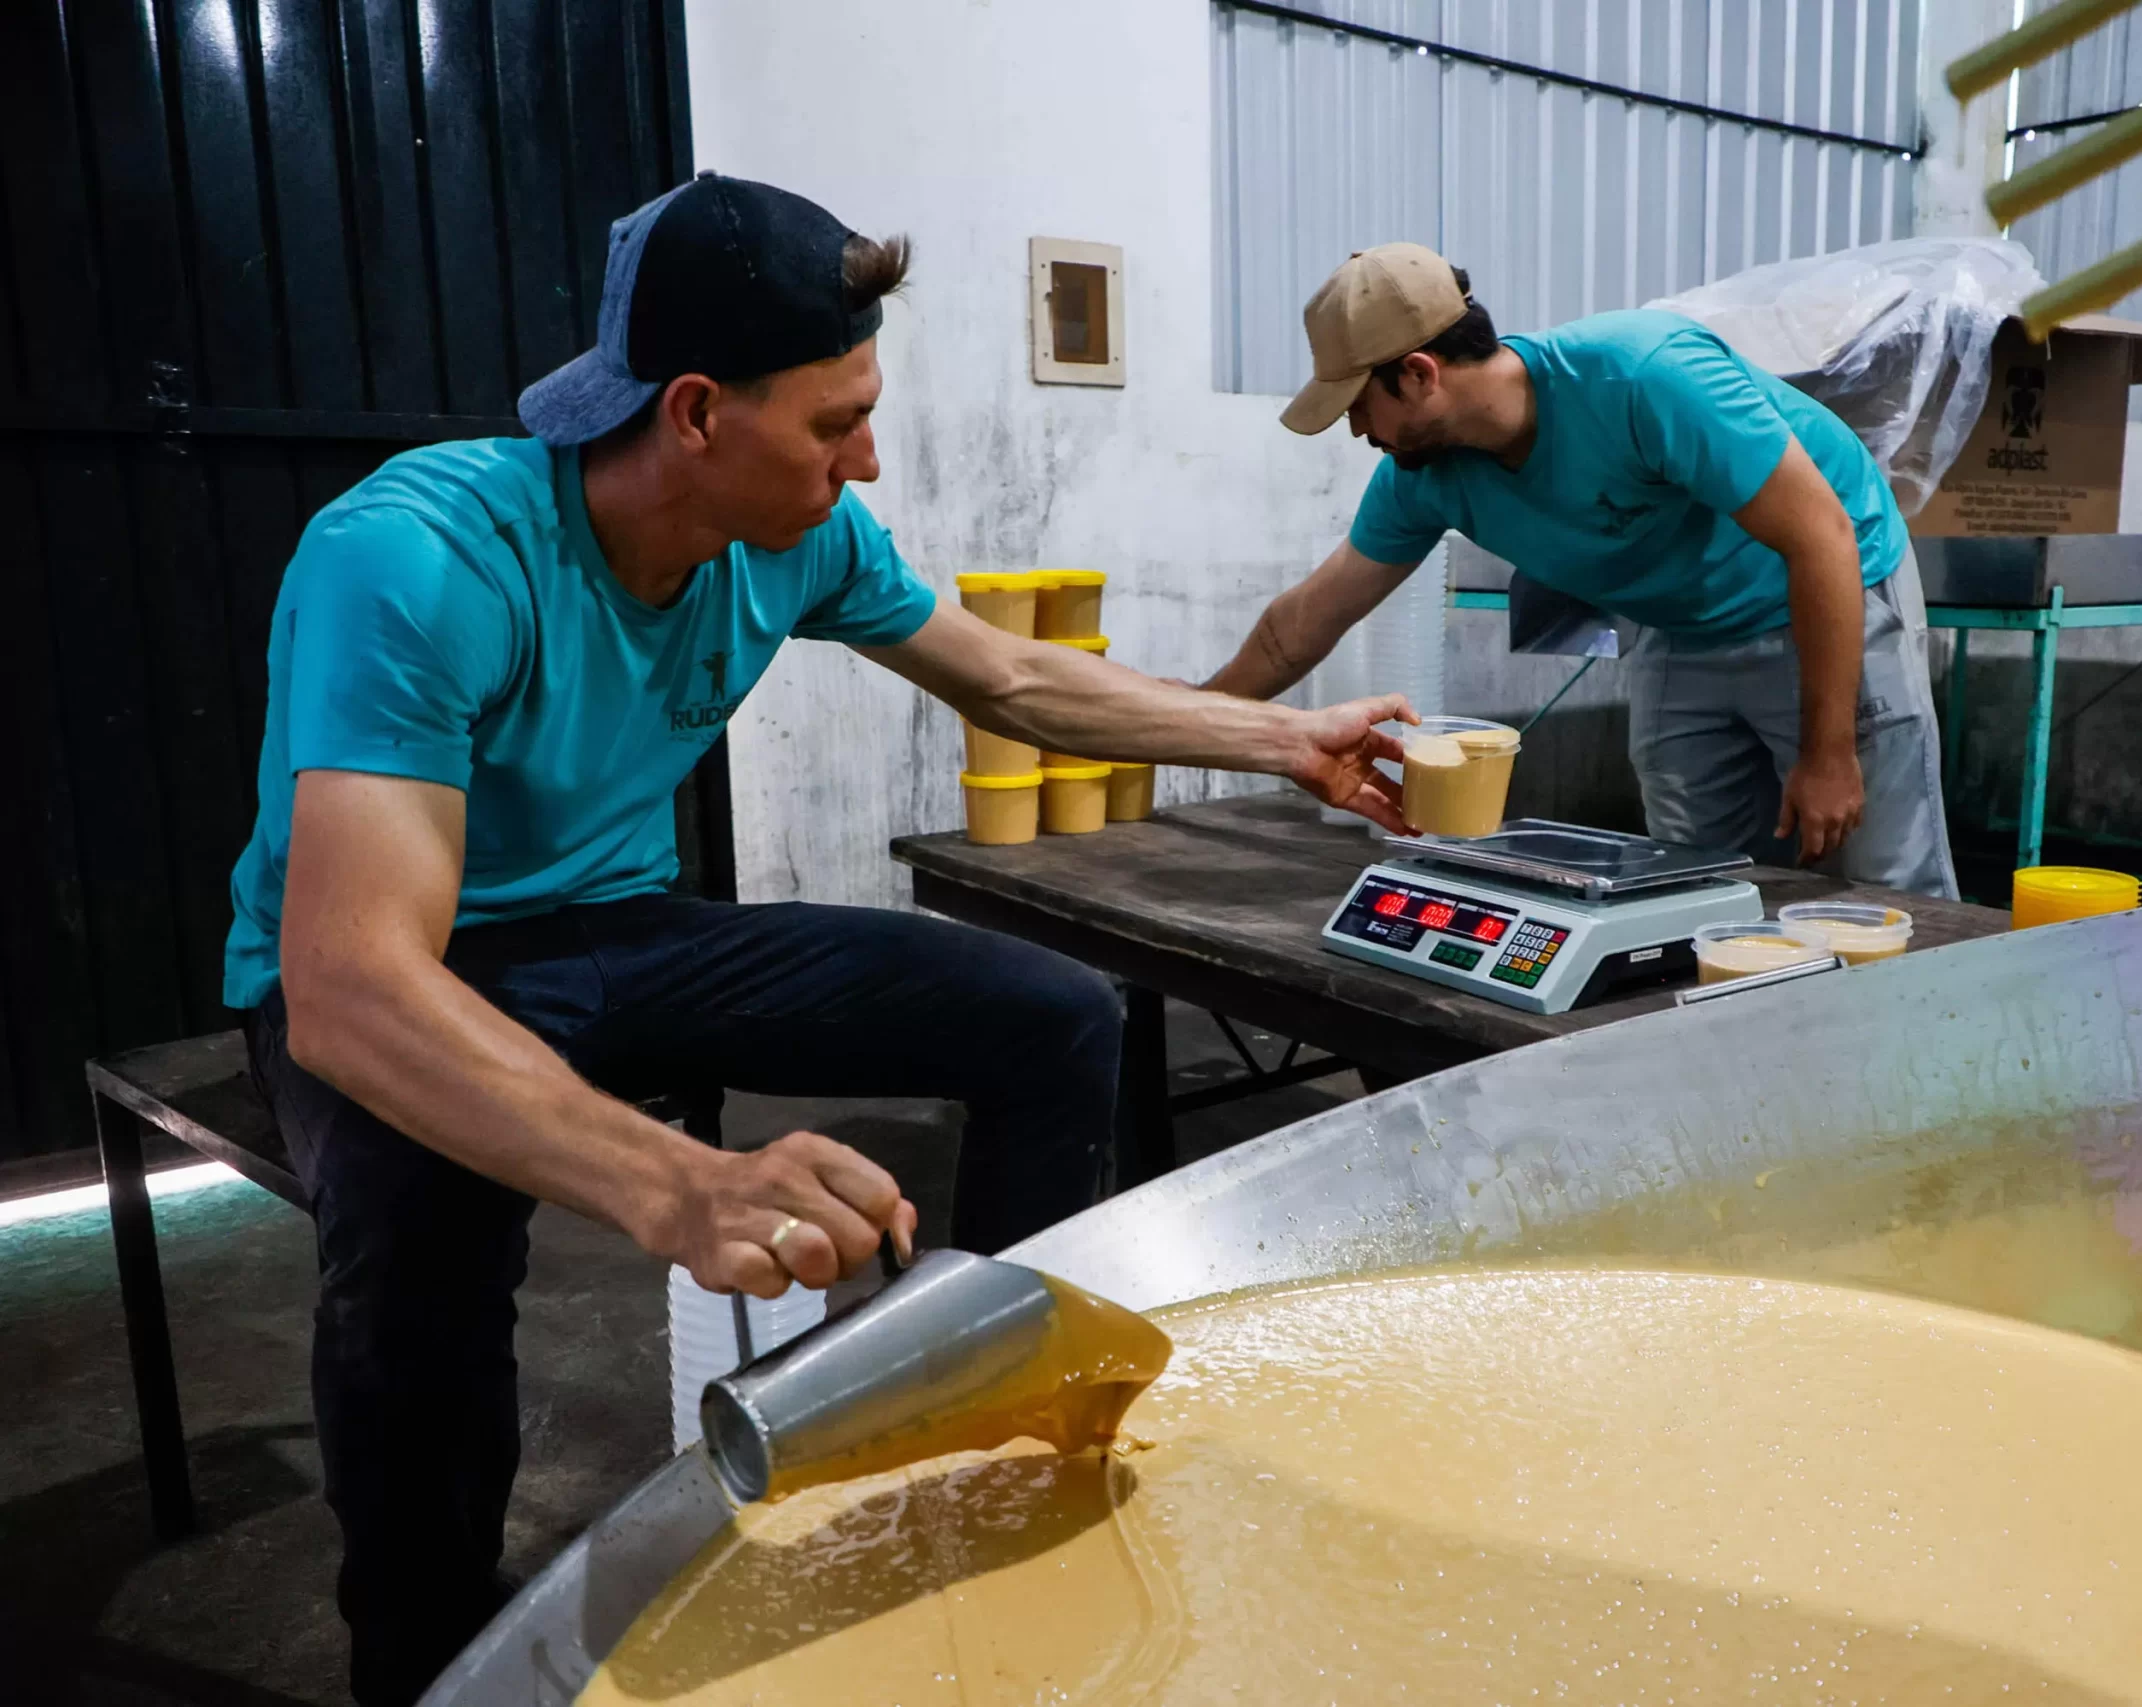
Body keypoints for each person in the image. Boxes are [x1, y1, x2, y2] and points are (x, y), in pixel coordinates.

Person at [225, 172, 1412, 1705]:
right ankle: (426, 1649)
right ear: (700, 412)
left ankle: (993, 1444)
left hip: (625, 929)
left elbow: (1015, 684)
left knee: (1052, 1015)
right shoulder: (421, 560)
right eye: (834, 420)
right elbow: (348, 988)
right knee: (416, 1205)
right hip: (412, 968)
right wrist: (686, 1182)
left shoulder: (792, 538)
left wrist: (1285, 735)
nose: (869, 456)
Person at [1205, 243, 1958, 898]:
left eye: (1358, 406)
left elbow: (1821, 538)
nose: (1357, 430)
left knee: (1886, 882)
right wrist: (1185, 718)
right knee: (1700, 878)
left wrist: (1829, 753)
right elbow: (1306, 621)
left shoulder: (1640, 376)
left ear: (1418, 372)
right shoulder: (1423, 475)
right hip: (1682, 626)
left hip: (1825, 593)